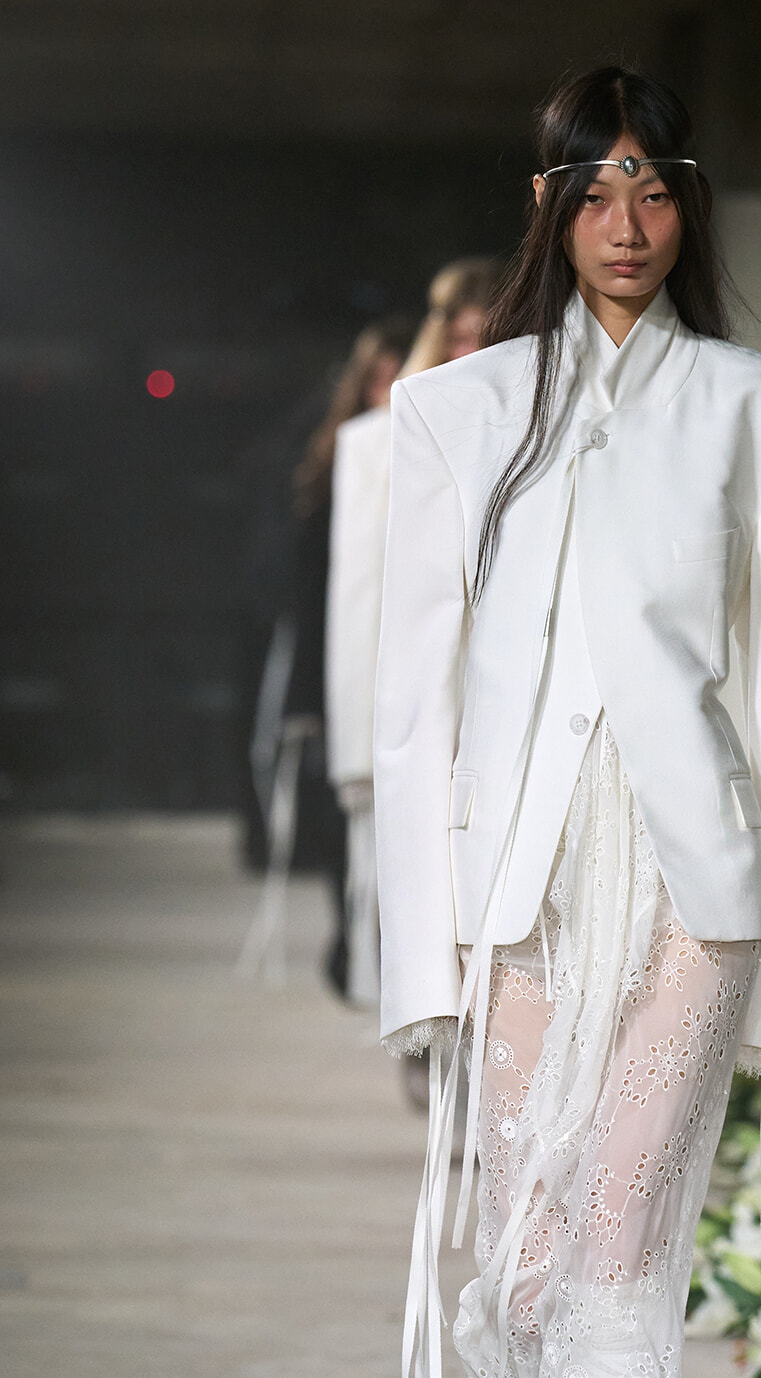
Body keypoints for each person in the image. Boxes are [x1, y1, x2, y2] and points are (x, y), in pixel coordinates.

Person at [374, 67, 761, 1378]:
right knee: (521, 1263)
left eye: (656, 191)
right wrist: (413, 961)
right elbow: (413, 711)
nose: (629, 227)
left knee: (616, 1246)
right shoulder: (452, 417)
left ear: (694, 202)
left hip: (686, 883)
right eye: (597, 193)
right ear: (546, 209)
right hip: (518, 882)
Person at [325, 263, 500, 1010]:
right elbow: (358, 595)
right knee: (413, 887)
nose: (470, 350)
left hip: (504, 699)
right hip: (416, 699)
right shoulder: (380, 441)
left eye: (486, 335)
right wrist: (354, 744)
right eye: (457, 334)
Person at [241, 316, 413, 992]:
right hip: (344, 665)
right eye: (378, 377)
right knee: (348, 813)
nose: (390, 388)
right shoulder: (338, 460)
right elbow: (312, 589)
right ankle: (354, 945)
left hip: (397, 662)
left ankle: (377, 956)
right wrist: (308, 695)